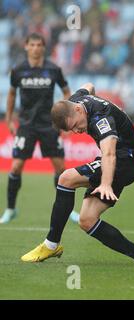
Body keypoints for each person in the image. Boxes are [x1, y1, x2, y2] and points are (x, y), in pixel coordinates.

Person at [20, 83, 134, 267]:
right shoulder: (76, 101)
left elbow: (109, 154)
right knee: (87, 220)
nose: (77, 131)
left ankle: (51, 244)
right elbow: (88, 86)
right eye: (71, 130)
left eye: (75, 125)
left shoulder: (100, 119)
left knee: (66, 178)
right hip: (122, 160)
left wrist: (105, 183)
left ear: (79, 110)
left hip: (124, 162)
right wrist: (95, 97)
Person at [0, 33, 79, 224]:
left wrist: (66, 118)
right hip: (26, 125)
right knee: (17, 166)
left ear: (43, 47)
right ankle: (10, 209)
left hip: (50, 125)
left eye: (39, 45)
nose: (36, 48)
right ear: (26, 46)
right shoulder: (18, 70)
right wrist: (10, 120)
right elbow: (11, 95)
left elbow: (67, 91)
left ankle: (67, 210)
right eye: (32, 44)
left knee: (60, 167)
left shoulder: (53, 69)